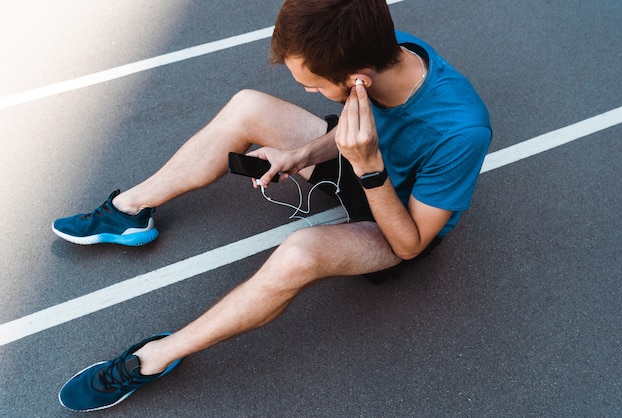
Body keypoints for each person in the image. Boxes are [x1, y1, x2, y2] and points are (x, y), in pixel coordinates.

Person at [57, 0, 491, 411]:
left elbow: (410, 243)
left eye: (311, 84)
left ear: (359, 78)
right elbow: (363, 123)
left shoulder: (461, 131)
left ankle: (155, 356)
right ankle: (130, 210)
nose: (303, 89)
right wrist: (301, 155)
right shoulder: (385, 46)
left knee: (299, 254)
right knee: (249, 106)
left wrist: (369, 168)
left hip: (397, 220)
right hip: (361, 160)